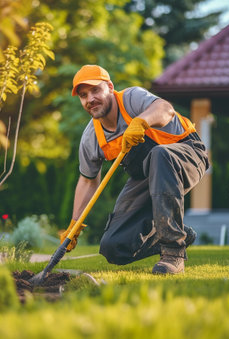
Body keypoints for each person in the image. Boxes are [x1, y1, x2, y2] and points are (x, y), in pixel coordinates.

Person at [60, 65, 210, 274]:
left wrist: (142, 121)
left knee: (160, 154)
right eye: (83, 95)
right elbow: (88, 181)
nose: (90, 99)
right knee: (112, 247)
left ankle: (173, 252)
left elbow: (165, 109)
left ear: (110, 87)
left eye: (95, 90)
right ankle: (176, 232)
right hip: (147, 177)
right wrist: (74, 224)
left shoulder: (132, 98)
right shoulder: (91, 138)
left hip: (188, 156)